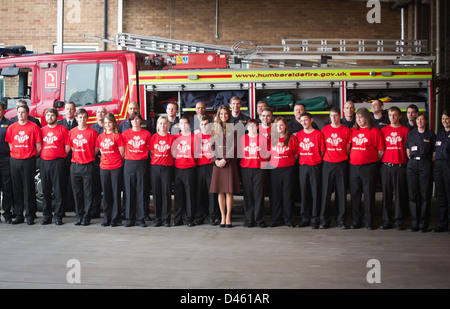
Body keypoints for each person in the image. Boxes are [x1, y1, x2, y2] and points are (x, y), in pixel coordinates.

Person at [349, 107, 385, 230]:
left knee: (369, 195)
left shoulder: (375, 132)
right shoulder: (352, 131)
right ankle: (356, 220)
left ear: (367, 118)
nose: (359, 119)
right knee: (355, 195)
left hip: (369, 168)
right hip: (354, 167)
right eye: (357, 117)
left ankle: (369, 221)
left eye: (361, 117)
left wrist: (371, 160)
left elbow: (380, 151)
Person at [5, 105, 42, 225]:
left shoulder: (34, 127)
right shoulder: (11, 128)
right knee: (17, 188)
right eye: (19, 112)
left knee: (29, 188)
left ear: (27, 113)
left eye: (23, 112)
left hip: (29, 160)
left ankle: (30, 215)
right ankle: (18, 215)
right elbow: (11, 144)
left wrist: (30, 156)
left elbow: (38, 147)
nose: (21, 114)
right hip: (15, 160)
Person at [210, 105, 241, 228]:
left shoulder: (233, 129)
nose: (223, 116)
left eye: (225, 114)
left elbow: (234, 147)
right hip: (217, 164)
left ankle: (228, 216)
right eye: (221, 114)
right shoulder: (214, 129)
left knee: (229, 192)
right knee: (220, 192)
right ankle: (222, 216)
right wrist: (216, 160)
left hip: (229, 164)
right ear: (218, 115)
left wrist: (224, 159)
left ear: (229, 115)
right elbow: (211, 147)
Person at [320, 106, 351, 229]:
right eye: (331, 116)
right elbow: (322, 149)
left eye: (336, 115)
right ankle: (324, 220)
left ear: (340, 116)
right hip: (327, 164)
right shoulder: (324, 130)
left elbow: (348, 149)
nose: (333, 118)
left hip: (341, 164)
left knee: (341, 193)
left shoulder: (346, 130)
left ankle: (341, 220)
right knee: (325, 193)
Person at [379, 106, 410, 230]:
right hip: (386, 166)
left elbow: (406, 150)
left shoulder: (405, 131)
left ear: (400, 116)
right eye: (390, 115)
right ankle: (386, 221)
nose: (392, 117)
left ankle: (399, 221)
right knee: (386, 195)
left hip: (400, 166)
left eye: (395, 115)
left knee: (399, 195)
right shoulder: (383, 130)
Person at [40, 107, 70, 225]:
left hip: (58, 162)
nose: (50, 117)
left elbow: (67, 146)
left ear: (57, 117)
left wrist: (61, 155)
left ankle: (58, 216)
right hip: (44, 162)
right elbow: (38, 145)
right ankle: (47, 216)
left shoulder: (63, 129)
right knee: (45, 190)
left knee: (59, 190)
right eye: (48, 115)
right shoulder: (41, 130)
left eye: (52, 115)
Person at [405, 111, 435, 232]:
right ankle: (415, 222)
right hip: (412, 164)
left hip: (425, 164)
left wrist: (426, 162)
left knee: (425, 194)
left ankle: (423, 223)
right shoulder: (411, 134)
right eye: (418, 120)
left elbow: (434, 153)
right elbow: (408, 150)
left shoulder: (431, 135)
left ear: (426, 121)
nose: (419, 122)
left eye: (422, 120)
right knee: (413, 194)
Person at [69, 108, 98, 226]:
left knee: (88, 193)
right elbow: (71, 147)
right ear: (76, 118)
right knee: (77, 193)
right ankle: (79, 216)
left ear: (87, 118)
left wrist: (88, 156)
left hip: (88, 166)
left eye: (84, 117)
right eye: (80, 117)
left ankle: (86, 217)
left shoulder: (93, 132)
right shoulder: (72, 132)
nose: (82, 119)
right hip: (75, 166)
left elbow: (96, 149)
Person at [268, 116, 299, 227]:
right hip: (274, 170)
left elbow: (296, 155)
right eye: (277, 125)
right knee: (275, 196)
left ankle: (289, 220)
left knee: (288, 195)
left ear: (285, 125)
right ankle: (276, 219)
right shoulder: (271, 138)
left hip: (288, 170)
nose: (279, 127)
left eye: (281, 125)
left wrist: (287, 162)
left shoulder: (292, 138)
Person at [296, 112, 325, 229]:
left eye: (306, 120)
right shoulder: (298, 135)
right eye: (301, 120)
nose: (304, 122)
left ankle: (315, 219)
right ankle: (305, 218)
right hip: (303, 167)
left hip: (315, 166)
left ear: (311, 120)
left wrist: (315, 159)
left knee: (316, 193)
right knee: (304, 193)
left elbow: (322, 151)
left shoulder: (318, 134)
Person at [122, 112, 152, 227]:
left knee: (141, 191)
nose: (135, 121)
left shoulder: (147, 134)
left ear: (141, 121)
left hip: (142, 163)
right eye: (133, 119)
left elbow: (149, 150)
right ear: (130, 121)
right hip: (129, 163)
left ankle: (140, 218)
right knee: (129, 191)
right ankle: (129, 218)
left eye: (137, 119)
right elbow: (122, 150)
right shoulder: (125, 134)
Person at [96, 113, 126, 227]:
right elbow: (101, 151)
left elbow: (122, 153)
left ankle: (115, 218)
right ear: (103, 124)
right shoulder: (100, 137)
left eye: (110, 122)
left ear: (114, 123)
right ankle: (106, 218)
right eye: (106, 122)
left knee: (116, 193)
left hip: (116, 168)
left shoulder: (118, 136)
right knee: (106, 194)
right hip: (104, 168)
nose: (108, 124)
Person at [239, 118, 268, 228]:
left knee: (259, 194)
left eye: (253, 125)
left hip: (259, 169)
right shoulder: (242, 139)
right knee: (248, 195)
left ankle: (259, 220)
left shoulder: (262, 139)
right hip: (246, 169)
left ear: (257, 127)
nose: (251, 128)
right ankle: (248, 220)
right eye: (249, 125)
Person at [172, 116, 197, 227]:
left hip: (190, 169)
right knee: (178, 195)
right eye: (181, 123)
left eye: (185, 123)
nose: (183, 125)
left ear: (189, 125)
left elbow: (196, 154)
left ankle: (189, 218)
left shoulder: (194, 138)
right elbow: (172, 154)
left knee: (190, 195)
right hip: (178, 169)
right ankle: (178, 219)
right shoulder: (175, 137)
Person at [150, 116, 175, 227]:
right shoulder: (153, 137)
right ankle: (157, 218)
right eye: (160, 123)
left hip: (167, 168)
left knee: (166, 193)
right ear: (157, 125)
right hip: (155, 168)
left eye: (165, 123)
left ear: (168, 125)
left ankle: (166, 219)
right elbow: (151, 152)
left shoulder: (172, 138)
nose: (163, 125)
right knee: (157, 193)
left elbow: (174, 154)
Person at [194, 115, 219, 225]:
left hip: (211, 165)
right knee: (199, 192)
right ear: (199, 125)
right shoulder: (196, 136)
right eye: (202, 124)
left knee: (212, 192)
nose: (204, 126)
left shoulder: (214, 136)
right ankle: (200, 215)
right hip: (199, 166)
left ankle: (212, 216)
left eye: (206, 124)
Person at [58, 101, 77, 213]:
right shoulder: (60, 124)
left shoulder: (79, 123)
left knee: (74, 184)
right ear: (64, 111)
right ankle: (63, 207)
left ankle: (73, 206)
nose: (69, 111)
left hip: (76, 158)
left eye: (71, 109)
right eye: (67, 109)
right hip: (62, 159)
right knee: (62, 183)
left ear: (75, 111)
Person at [432, 109, 450, 233]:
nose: (444, 121)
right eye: (443, 119)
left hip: (448, 165)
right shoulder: (440, 133)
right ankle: (442, 224)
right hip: (438, 166)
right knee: (441, 197)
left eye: (447, 119)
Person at [90, 106, 107, 219]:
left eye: (103, 112)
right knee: (95, 188)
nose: (100, 114)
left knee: (106, 188)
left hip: (107, 162)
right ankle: (95, 210)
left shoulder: (110, 128)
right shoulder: (92, 129)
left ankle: (107, 211)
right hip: (95, 162)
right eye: (99, 112)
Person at [0, 102, 14, 223]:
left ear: (3, 111)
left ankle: (7, 213)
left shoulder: (9, 124)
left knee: (7, 187)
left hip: (5, 159)